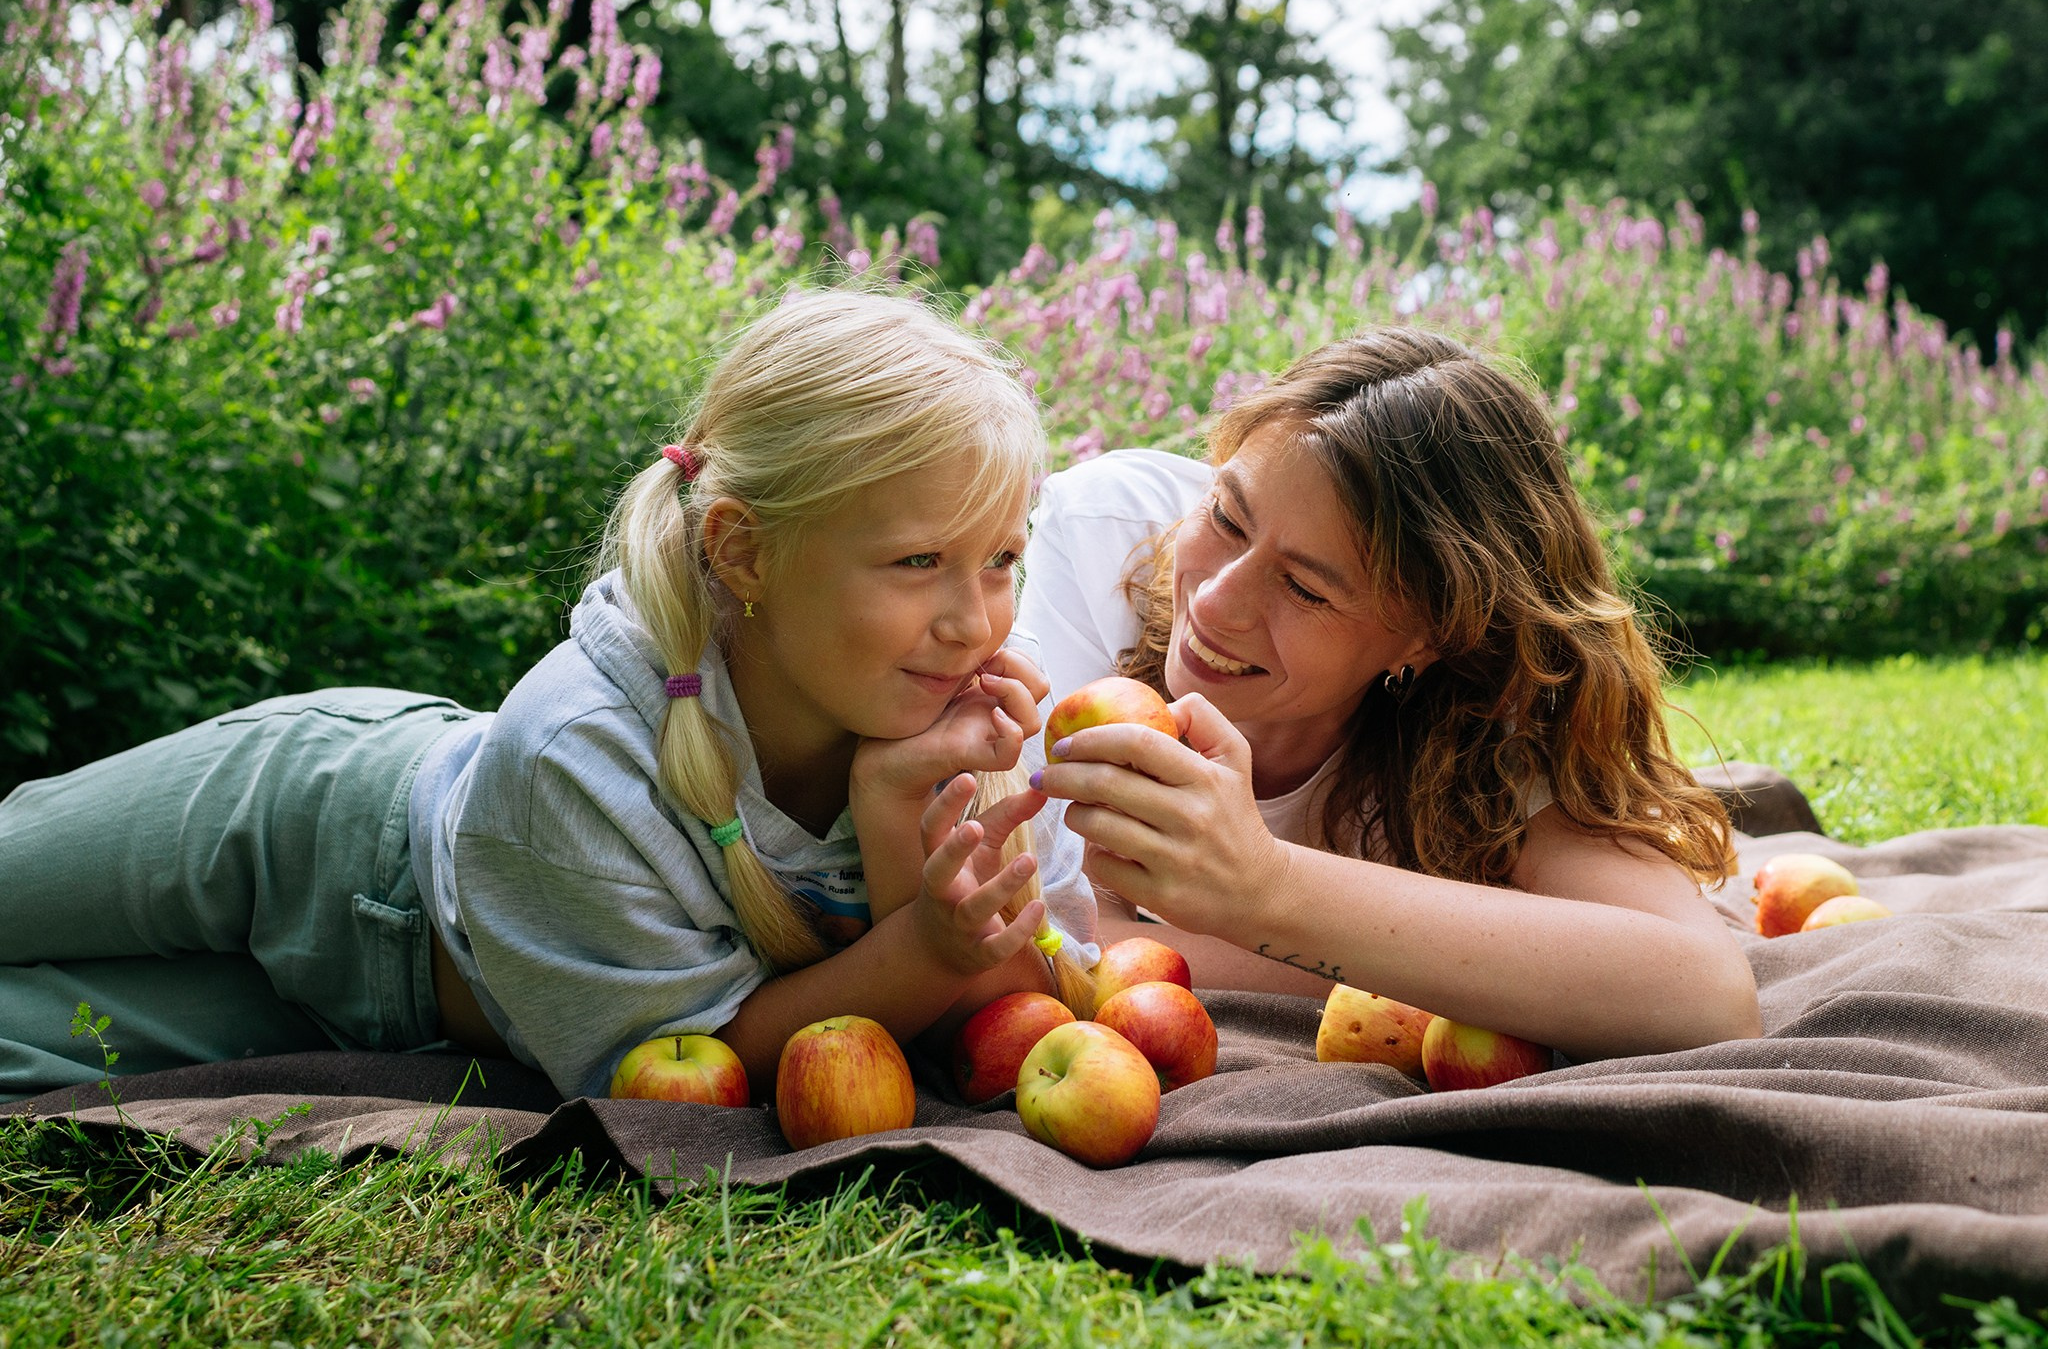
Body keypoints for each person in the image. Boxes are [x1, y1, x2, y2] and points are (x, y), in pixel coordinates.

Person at [0, 289, 1100, 1104]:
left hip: (407, 1006)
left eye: (1002, 559)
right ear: (745, 553)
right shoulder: (578, 742)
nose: (974, 618)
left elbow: (997, 1016)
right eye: (917, 563)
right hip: (309, 827)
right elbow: (757, 1037)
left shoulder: (972, 719)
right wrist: (929, 946)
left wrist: (899, 808)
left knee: (40, 1047)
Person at [1022, 327, 1761, 1062]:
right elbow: (1064, 934)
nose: (1216, 602)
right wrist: (1459, 961)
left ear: (1427, 635)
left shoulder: (1486, 712)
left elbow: (1706, 994)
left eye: (1306, 588)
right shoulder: (1100, 541)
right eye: (1225, 515)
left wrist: (1267, 890)